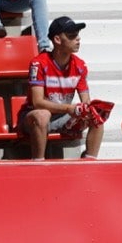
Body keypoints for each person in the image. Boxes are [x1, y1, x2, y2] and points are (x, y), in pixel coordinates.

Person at [19, 16, 106, 160]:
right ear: (57, 40)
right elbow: (37, 103)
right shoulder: (38, 63)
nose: (78, 39)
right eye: (72, 36)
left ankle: (90, 160)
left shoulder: (80, 65)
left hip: (63, 117)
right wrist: (68, 108)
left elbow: (86, 101)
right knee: (42, 115)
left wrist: (89, 109)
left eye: (78, 35)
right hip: (33, 116)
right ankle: (38, 163)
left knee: (96, 116)